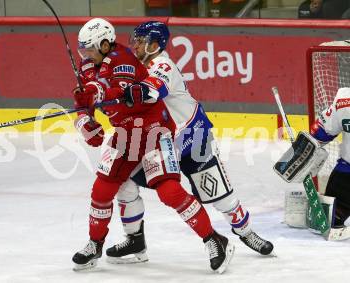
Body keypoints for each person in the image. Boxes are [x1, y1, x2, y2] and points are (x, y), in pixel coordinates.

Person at [71, 18, 234, 273]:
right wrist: (84, 121)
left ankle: (214, 240)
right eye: (83, 50)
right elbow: (83, 101)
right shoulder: (88, 64)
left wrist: (95, 95)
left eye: (89, 48)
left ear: (104, 44)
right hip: (125, 134)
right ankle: (95, 244)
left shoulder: (121, 59)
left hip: (154, 130)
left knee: (169, 191)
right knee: (102, 189)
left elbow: (112, 90)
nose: (86, 55)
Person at [104, 21, 274, 264]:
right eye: (135, 40)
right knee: (125, 179)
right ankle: (135, 240)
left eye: (141, 41)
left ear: (154, 45)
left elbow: (151, 91)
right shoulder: (132, 68)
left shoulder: (162, 64)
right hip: (159, 143)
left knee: (217, 194)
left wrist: (122, 95)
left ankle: (246, 232)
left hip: (191, 136)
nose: (135, 45)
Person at [309, 87, 350, 227]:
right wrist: (305, 147)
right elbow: (320, 133)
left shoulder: (345, 101)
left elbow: (320, 133)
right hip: (347, 173)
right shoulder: (344, 102)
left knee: (330, 218)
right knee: (330, 217)